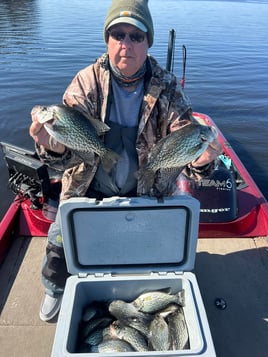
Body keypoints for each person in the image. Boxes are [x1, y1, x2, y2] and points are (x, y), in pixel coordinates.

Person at [30, 0, 222, 322]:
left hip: (146, 190)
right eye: (118, 34)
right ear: (106, 39)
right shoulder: (85, 83)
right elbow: (65, 163)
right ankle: (56, 287)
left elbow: (186, 155)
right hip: (90, 188)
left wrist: (202, 161)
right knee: (61, 235)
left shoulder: (169, 89)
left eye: (136, 36)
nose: (126, 45)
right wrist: (54, 149)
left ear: (148, 42)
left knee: (160, 249)